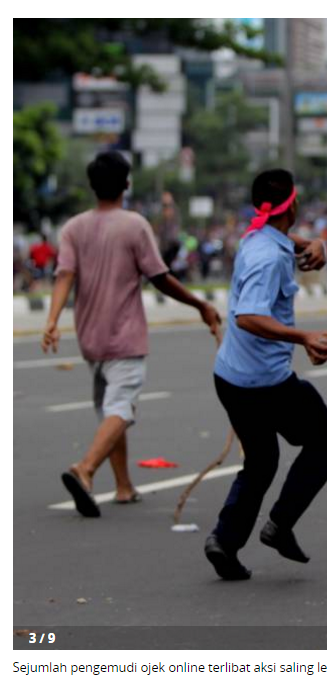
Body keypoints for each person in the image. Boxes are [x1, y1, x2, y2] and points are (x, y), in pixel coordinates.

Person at [41, 151, 222, 517]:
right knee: (121, 409)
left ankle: (124, 486)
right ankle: (85, 469)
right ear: (127, 184)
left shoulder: (73, 227)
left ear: (92, 186)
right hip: (123, 337)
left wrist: (52, 320)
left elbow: (64, 277)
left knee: (112, 411)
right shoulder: (134, 225)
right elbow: (160, 278)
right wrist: (200, 305)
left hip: (89, 338)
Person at [207, 168, 327, 581]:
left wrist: (314, 242)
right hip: (264, 383)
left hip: (230, 377)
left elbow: (285, 241)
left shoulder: (258, 236)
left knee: (262, 462)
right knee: (325, 442)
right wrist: (304, 337)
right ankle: (279, 525)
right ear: (294, 204)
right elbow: (248, 317)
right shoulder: (267, 257)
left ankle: (224, 542)